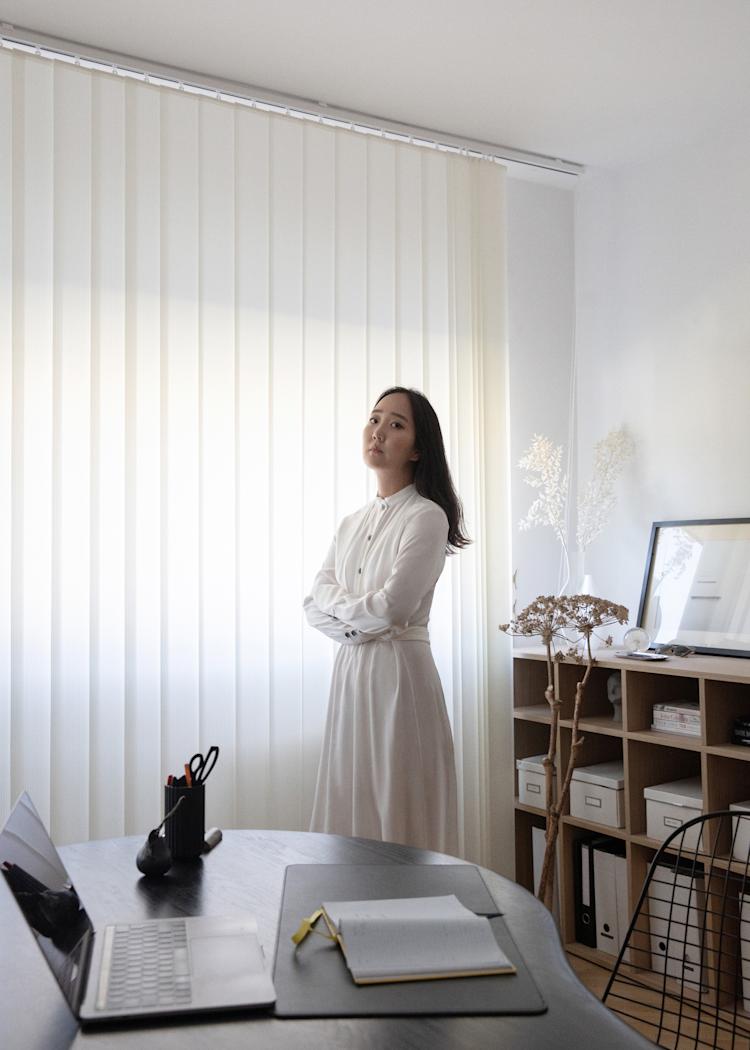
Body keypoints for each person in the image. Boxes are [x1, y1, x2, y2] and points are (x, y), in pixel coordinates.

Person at [303, 386, 470, 855]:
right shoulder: (350, 523)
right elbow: (313, 601)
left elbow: (394, 608)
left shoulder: (426, 517)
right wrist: (360, 625)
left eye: (396, 424)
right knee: (349, 799)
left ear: (417, 449)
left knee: (398, 807)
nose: (378, 431)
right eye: (374, 419)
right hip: (352, 673)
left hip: (399, 677)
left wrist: (349, 614)